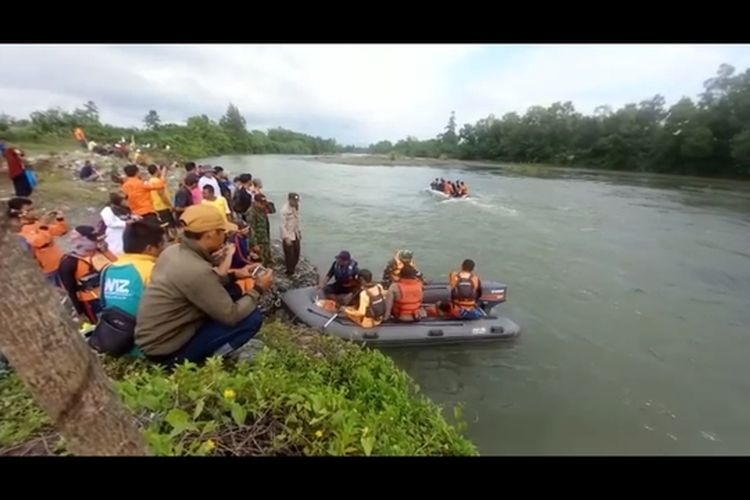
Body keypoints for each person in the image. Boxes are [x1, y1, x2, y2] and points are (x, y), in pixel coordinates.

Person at [135, 204, 274, 366]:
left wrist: (236, 274)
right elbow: (231, 315)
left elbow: (202, 283)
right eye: (222, 232)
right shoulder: (196, 270)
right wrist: (258, 289)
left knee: (232, 290)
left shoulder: (172, 252)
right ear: (209, 235)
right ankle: (208, 361)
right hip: (167, 352)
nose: (225, 236)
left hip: (156, 339)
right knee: (252, 318)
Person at [89, 221, 166, 356]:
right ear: (149, 249)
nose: (163, 249)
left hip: (117, 343)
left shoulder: (108, 269)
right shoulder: (152, 270)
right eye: (161, 245)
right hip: (148, 348)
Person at [58, 226, 118, 325]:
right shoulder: (69, 263)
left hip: (113, 294)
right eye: (93, 239)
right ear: (81, 241)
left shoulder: (101, 252)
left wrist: (105, 250)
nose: (98, 242)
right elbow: (70, 290)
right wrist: (80, 311)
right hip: (92, 301)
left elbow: (119, 266)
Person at [8, 197, 68, 285]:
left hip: (62, 263)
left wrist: (60, 219)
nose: (34, 211)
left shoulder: (37, 224)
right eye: (29, 210)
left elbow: (61, 231)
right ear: (19, 213)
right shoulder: (22, 231)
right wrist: (43, 225)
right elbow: (40, 242)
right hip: (49, 270)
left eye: (33, 208)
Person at [147, 164, 174, 237]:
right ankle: (176, 238)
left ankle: (168, 237)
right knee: (171, 223)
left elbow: (163, 177)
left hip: (156, 205)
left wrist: (165, 170)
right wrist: (169, 205)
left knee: (164, 223)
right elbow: (162, 195)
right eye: (159, 169)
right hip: (163, 205)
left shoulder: (150, 181)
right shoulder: (157, 182)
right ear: (156, 170)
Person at [280, 192, 301, 276]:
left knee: (297, 253)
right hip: (288, 235)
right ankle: (289, 272)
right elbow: (282, 225)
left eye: (297, 201)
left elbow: (297, 220)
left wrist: (299, 231)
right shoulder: (284, 210)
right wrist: (286, 238)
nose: (296, 202)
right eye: (294, 200)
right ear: (289, 200)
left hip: (295, 233)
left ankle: (293, 268)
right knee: (289, 255)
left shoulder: (296, 207)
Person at [248, 193, 272, 266]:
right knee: (259, 262)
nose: (263, 205)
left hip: (265, 240)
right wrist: (254, 244)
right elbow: (251, 229)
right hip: (258, 241)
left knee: (267, 260)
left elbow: (272, 210)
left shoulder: (262, 210)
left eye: (264, 203)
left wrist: (267, 206)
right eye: (261, 203)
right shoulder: (251, 213)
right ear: (255, 202)